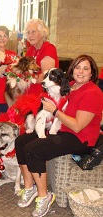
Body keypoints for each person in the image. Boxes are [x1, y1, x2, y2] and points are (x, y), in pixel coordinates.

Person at [14, 54, 103, 217]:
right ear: (72, 70)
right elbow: (46, 86)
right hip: (60, 130)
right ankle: (29, 188)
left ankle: (44, 196)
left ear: (92, 73)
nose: (81, 71)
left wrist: (54, 111)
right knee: (21, 141)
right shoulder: (69, 86)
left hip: (80, 138)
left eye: (86, 68)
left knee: (34, 148)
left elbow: (77, 126)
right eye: (77, 67)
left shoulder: (93, 92)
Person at [24, 18, 59, 96]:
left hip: (42, 95)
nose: (30, 35)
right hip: (29, 93)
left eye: (33, 32)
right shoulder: (31, 49)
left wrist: (25, 78)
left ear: (42, 33)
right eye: (28, 32)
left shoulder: (48, 48)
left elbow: (45, 77)